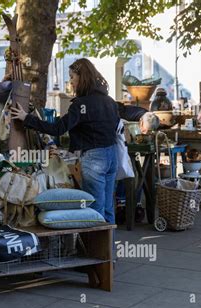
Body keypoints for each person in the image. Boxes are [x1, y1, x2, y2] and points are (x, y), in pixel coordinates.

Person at [10, 58, 119, 224]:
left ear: (82, 78)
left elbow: (58, 128)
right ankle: (108, 249)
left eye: (72, 77)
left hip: (94, 158)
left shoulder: (81, 104)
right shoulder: (109, 101)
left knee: (95, 210)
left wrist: (27, 118)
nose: (71, 82)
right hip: (112, 155)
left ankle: (95, 249)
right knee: (108, 208)